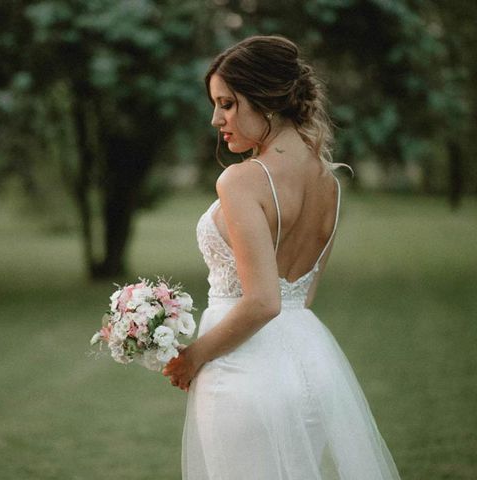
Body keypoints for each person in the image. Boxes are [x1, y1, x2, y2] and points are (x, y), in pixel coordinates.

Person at [162, 35, 401, 479]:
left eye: (228, 104)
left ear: (266, 100)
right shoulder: (328, 181)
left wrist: (194, 356)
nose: (217, 119)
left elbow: (264, 301)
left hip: (244, 373)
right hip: (310, 365)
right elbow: (300, 296)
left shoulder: (242, 181)